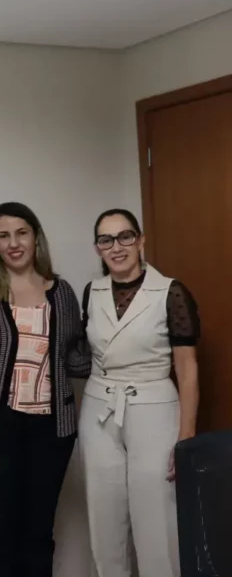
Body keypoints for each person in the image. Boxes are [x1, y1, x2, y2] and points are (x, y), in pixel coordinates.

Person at [0, 202, 90, 577]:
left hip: (52, 430)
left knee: (39, 531)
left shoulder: (61, 292)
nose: (14, 243)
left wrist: (106, 331)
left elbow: (76, 360)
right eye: (4, 236)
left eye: (22, 233)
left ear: (36, 238)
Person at [80, 208, 199, 577]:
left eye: (125, 236)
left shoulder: (170, 291)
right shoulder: (92, 292)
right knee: (104, 517)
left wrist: (186, 437)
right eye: (106, 240)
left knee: (156, 519)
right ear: (98, 248)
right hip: (100, 408)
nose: (116, 247)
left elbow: (187, 369)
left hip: (154, 407)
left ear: (140, 240)